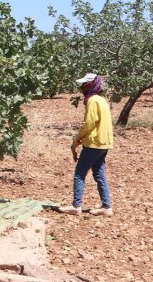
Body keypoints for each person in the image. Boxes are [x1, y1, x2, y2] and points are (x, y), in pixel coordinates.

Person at [59, 73, 114, 216]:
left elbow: (89, 123)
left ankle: (76, 206)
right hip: (104, 143)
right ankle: (106, 207)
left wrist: (77, 138)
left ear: (91, 85)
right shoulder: (102, 100)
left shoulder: (93, 101)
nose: (81, 87)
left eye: (84, 84)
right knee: (99, 174)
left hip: (94, 144)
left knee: (79, 174)